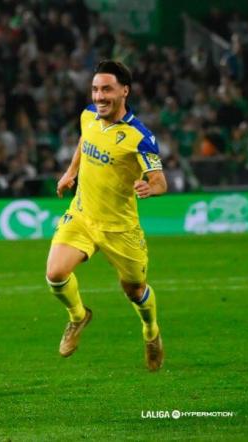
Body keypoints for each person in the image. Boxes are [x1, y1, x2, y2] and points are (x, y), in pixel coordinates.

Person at [46, 60, 167, 371]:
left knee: (134, 290)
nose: (99, 96)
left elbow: (160, 180)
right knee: (55, 274)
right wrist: (70, 172)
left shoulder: (139, 136)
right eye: (95, 89)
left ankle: (151, 332)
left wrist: (149, 187)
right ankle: (78, 316)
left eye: (106, 89)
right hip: (83, 215)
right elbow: (85, 141)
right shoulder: (89, 115)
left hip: (119, 227)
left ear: (124, 91)